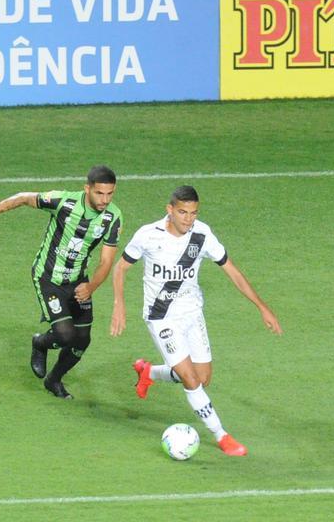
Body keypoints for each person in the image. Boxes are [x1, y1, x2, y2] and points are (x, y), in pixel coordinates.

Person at [111, 185, 282, 456]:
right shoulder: (148, 235)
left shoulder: (202, 234)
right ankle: (222, 435)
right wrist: (119, 305)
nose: (188, 219)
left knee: (202, 377)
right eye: (183, 212)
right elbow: (120, 268)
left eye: (193, 213)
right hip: (161, 317)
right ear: (169, 210)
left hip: (192, 314)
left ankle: (149, 372)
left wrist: (262, 307)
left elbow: (232, 271)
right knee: (191, 380)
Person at [0, 165, 123, 399]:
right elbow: (23, 198)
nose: (105, 200)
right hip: (48, 277)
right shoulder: (63, 202)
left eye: (109, 194)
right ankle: (40, 344)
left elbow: (106, 261)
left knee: (82, 341)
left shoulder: (113, 217)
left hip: (78, 282)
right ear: (87, 189)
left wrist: (91, 286)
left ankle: (54, 380)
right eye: (99, 193)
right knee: (65, 335)